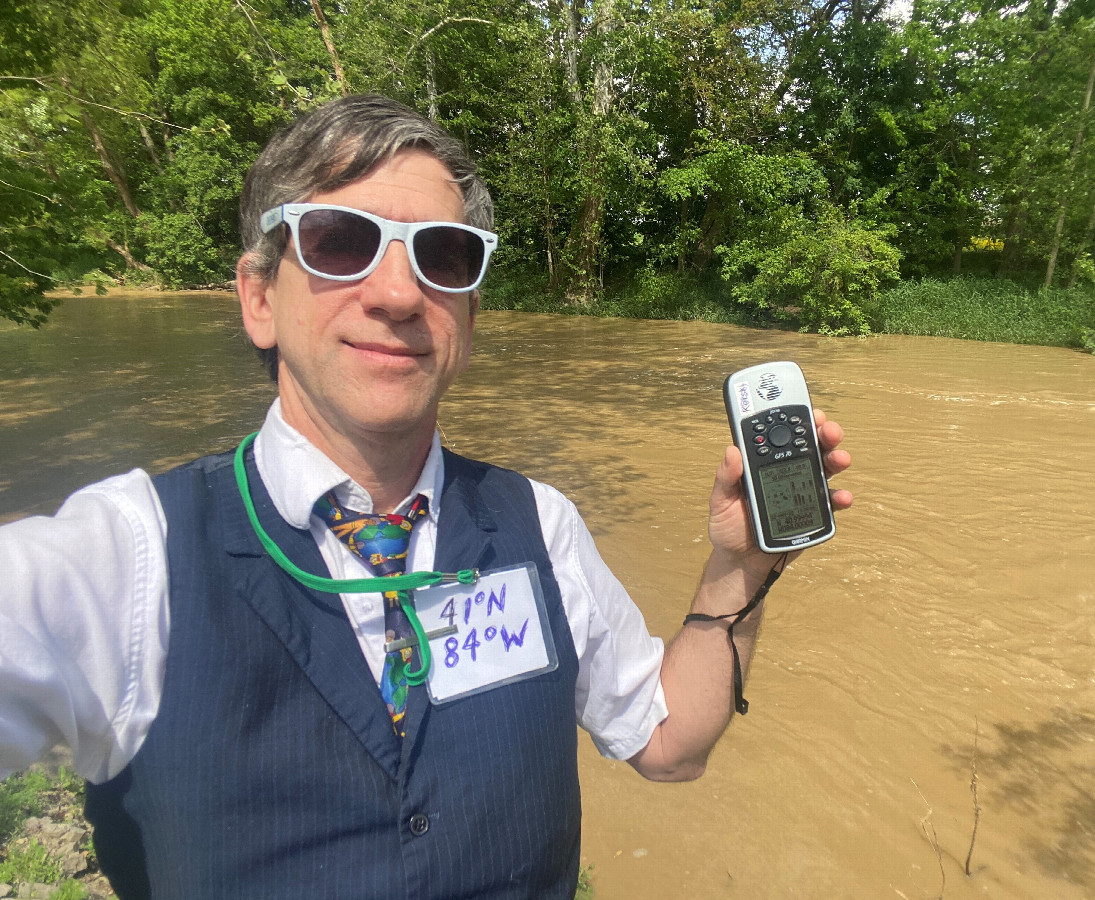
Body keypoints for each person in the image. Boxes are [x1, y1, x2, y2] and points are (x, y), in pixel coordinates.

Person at [0, 95, 852, 899]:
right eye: (341, 241)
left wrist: (741, 567)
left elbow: (669, 743)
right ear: (259, 298)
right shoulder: (125, 561)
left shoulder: (541, 525)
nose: (401, 294)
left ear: (470, 318)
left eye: (442, 256)